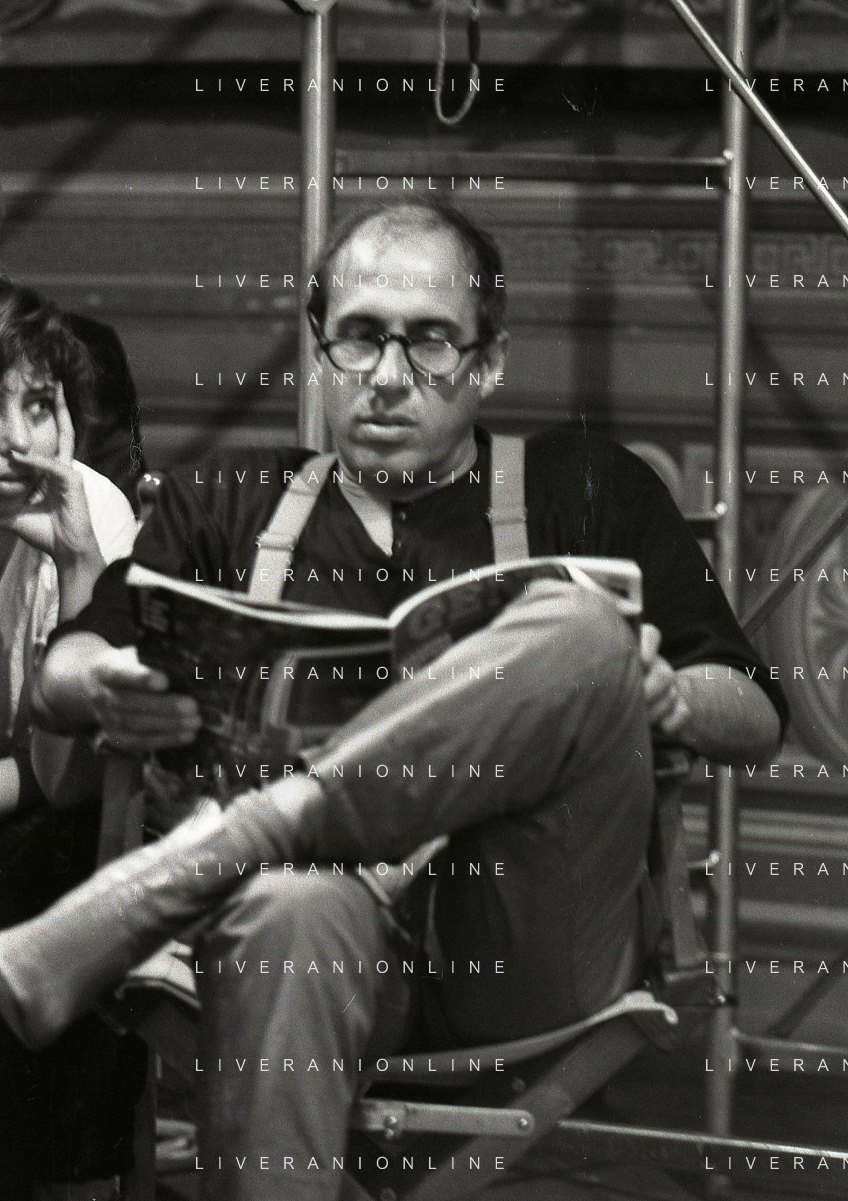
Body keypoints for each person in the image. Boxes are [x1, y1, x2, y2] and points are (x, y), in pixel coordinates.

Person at [0, 202, 786, 1201]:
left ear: (489, 362)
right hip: (320, 938)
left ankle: (207, 855)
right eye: (360, 336)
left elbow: (753, 712)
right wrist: (113, 682)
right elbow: (64, 669)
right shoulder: (227, 502)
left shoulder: (588, 487)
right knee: (288, 903)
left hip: (526, 937)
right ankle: (251, 852)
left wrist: (655, 692)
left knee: (581, 627)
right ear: (319, 349)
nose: (386, 374)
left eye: (430, 342)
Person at [0, 279, 144, 1200]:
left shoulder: (86, 513)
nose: (19, 440)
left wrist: (77, 560)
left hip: (81, 824)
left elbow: (70, 782)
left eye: (39, 406)